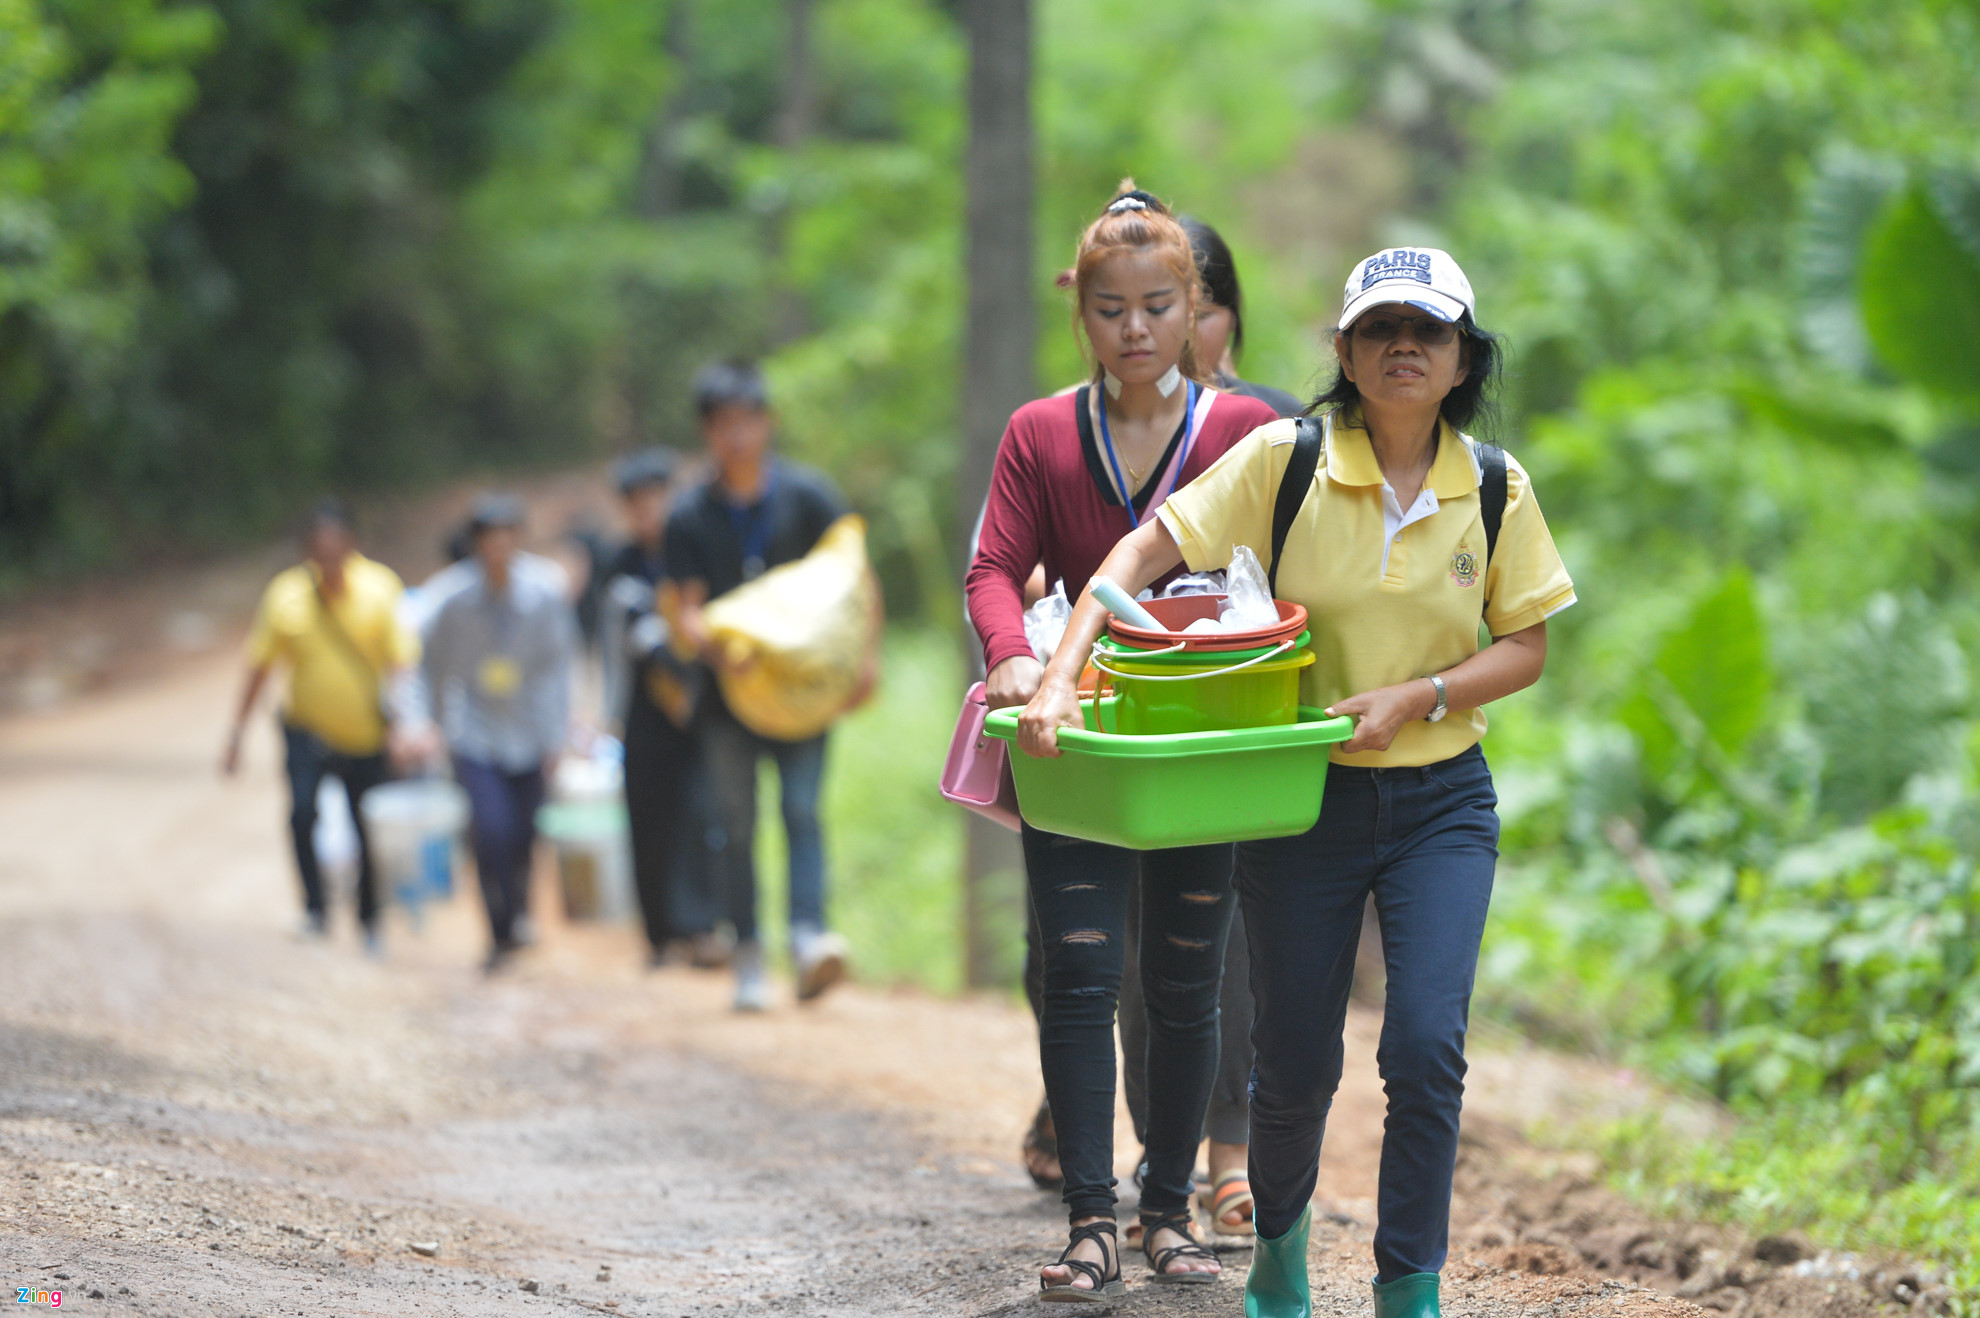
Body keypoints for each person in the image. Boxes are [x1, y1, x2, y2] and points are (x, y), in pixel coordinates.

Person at [1019, 247, 1576, 1318]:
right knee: (1296, 1064)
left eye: (1429, 330)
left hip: (1443, 803)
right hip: (1299, 803)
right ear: (1346, 353)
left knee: (1424, 1047)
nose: (1404, 346)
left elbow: (1526, 647)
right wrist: (1058, 672)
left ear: (1464, 357)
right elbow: (1137, 557)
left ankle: (1408, 1284)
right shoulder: (1287, 462)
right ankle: (1280, 1256)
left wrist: (1420, 694)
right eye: (1381, 329)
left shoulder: (1496, 486)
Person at [967, 182, 1281, 1298]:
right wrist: (1010, 650)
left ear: (1196, 307)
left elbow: (1296, 575)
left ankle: (1168, 1209)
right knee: (1082, 973)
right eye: (1111, 308)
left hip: (1199, 749)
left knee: (1189, 982)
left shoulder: (1248, 433)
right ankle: (1090, 1220)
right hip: (1076, 740)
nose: (1136, 329)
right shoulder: (1040, 434)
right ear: (1081, 314)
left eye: (1158, 305)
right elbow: (993, 564)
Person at [667, 359, 852, 1013]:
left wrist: (865, 663)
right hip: (727, 699)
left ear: (767, 423)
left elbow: (852, 577)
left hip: (803, 692)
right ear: (707, 433)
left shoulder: (809, 496)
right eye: (722, 425)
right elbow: (684, 610)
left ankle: (808, 940)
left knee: (803, 813)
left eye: (747, 421)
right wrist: (715, 649)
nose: (736, 436)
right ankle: (748, 951)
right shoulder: (688, 514)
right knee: (734, 826)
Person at [223, 499, 419, 954]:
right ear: (306, 552)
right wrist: (236, 734)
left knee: (367, 824)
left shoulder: (381, 588)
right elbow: (259, 668)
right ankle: (315, 908)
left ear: (353, 546)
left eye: (337, 549)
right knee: (302, 813)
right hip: (305, 729)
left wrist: (405, 727)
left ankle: (370, 917)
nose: (328, 559)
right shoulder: (285, 595)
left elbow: (401, 664)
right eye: (319, 550)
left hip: (367, 734)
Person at [401, 494, 579, 973]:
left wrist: (560, 733)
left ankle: (520, 911)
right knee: (491, 830)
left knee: (524, 833)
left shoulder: (544, 593)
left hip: (529, 729)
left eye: (508, 539)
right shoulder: (450, 600)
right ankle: (498, 929)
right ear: (476, 545)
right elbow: (428, 668)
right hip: (474, 732)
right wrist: (428, 724)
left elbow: (560, 666)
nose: (499, 549)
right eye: (489, 540)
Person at [599, 449, 724, 969]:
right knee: (649, 820)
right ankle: (659, 935)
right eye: (639, 502)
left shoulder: (699, 549)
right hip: (646, 709)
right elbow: (622, 637)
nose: (651, 511)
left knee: (704, 816)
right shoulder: (622, 563)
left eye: (659, 498)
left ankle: (704, 929)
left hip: (703, 704)